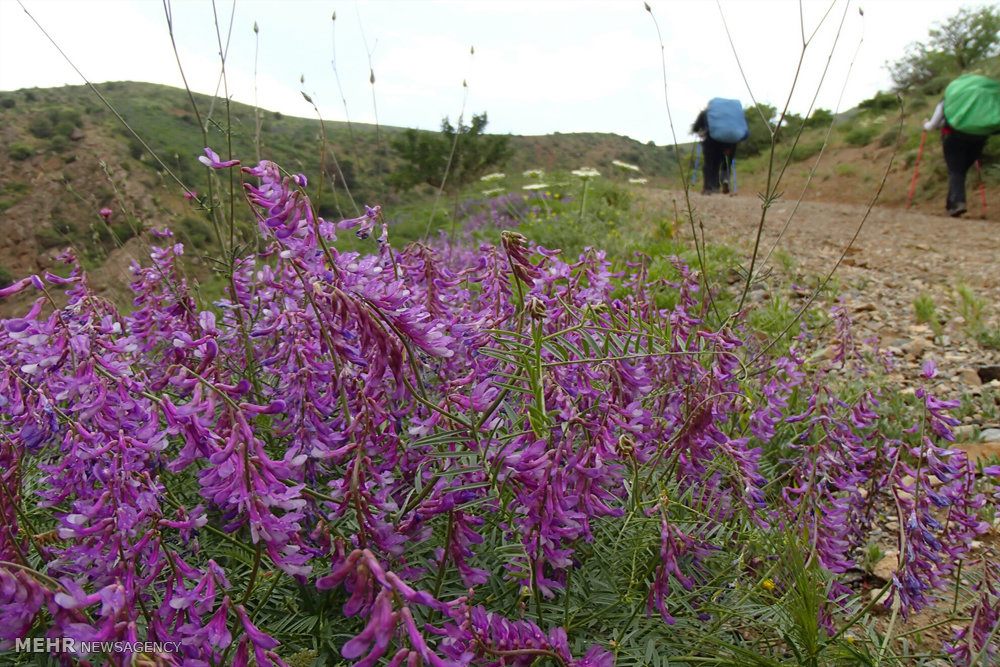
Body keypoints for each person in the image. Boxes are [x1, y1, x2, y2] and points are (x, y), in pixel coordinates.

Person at [923, 74, 999, 217]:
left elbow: (934, 125)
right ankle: (950, 204)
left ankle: (958, 203)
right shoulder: (983, 99)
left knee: (955, 170)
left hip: (954, 138)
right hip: (979, 137)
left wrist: (925, 125)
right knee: (960, 171)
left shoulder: (947, 101)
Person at [692, 99, 747, 195]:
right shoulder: (734, 116)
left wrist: (699, 131)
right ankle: (725, 179)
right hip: (731, 142)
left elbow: (696, 128)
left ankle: (710, 187)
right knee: (727, 162)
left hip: (712, 141)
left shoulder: (706, 113)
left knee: (711, 163)